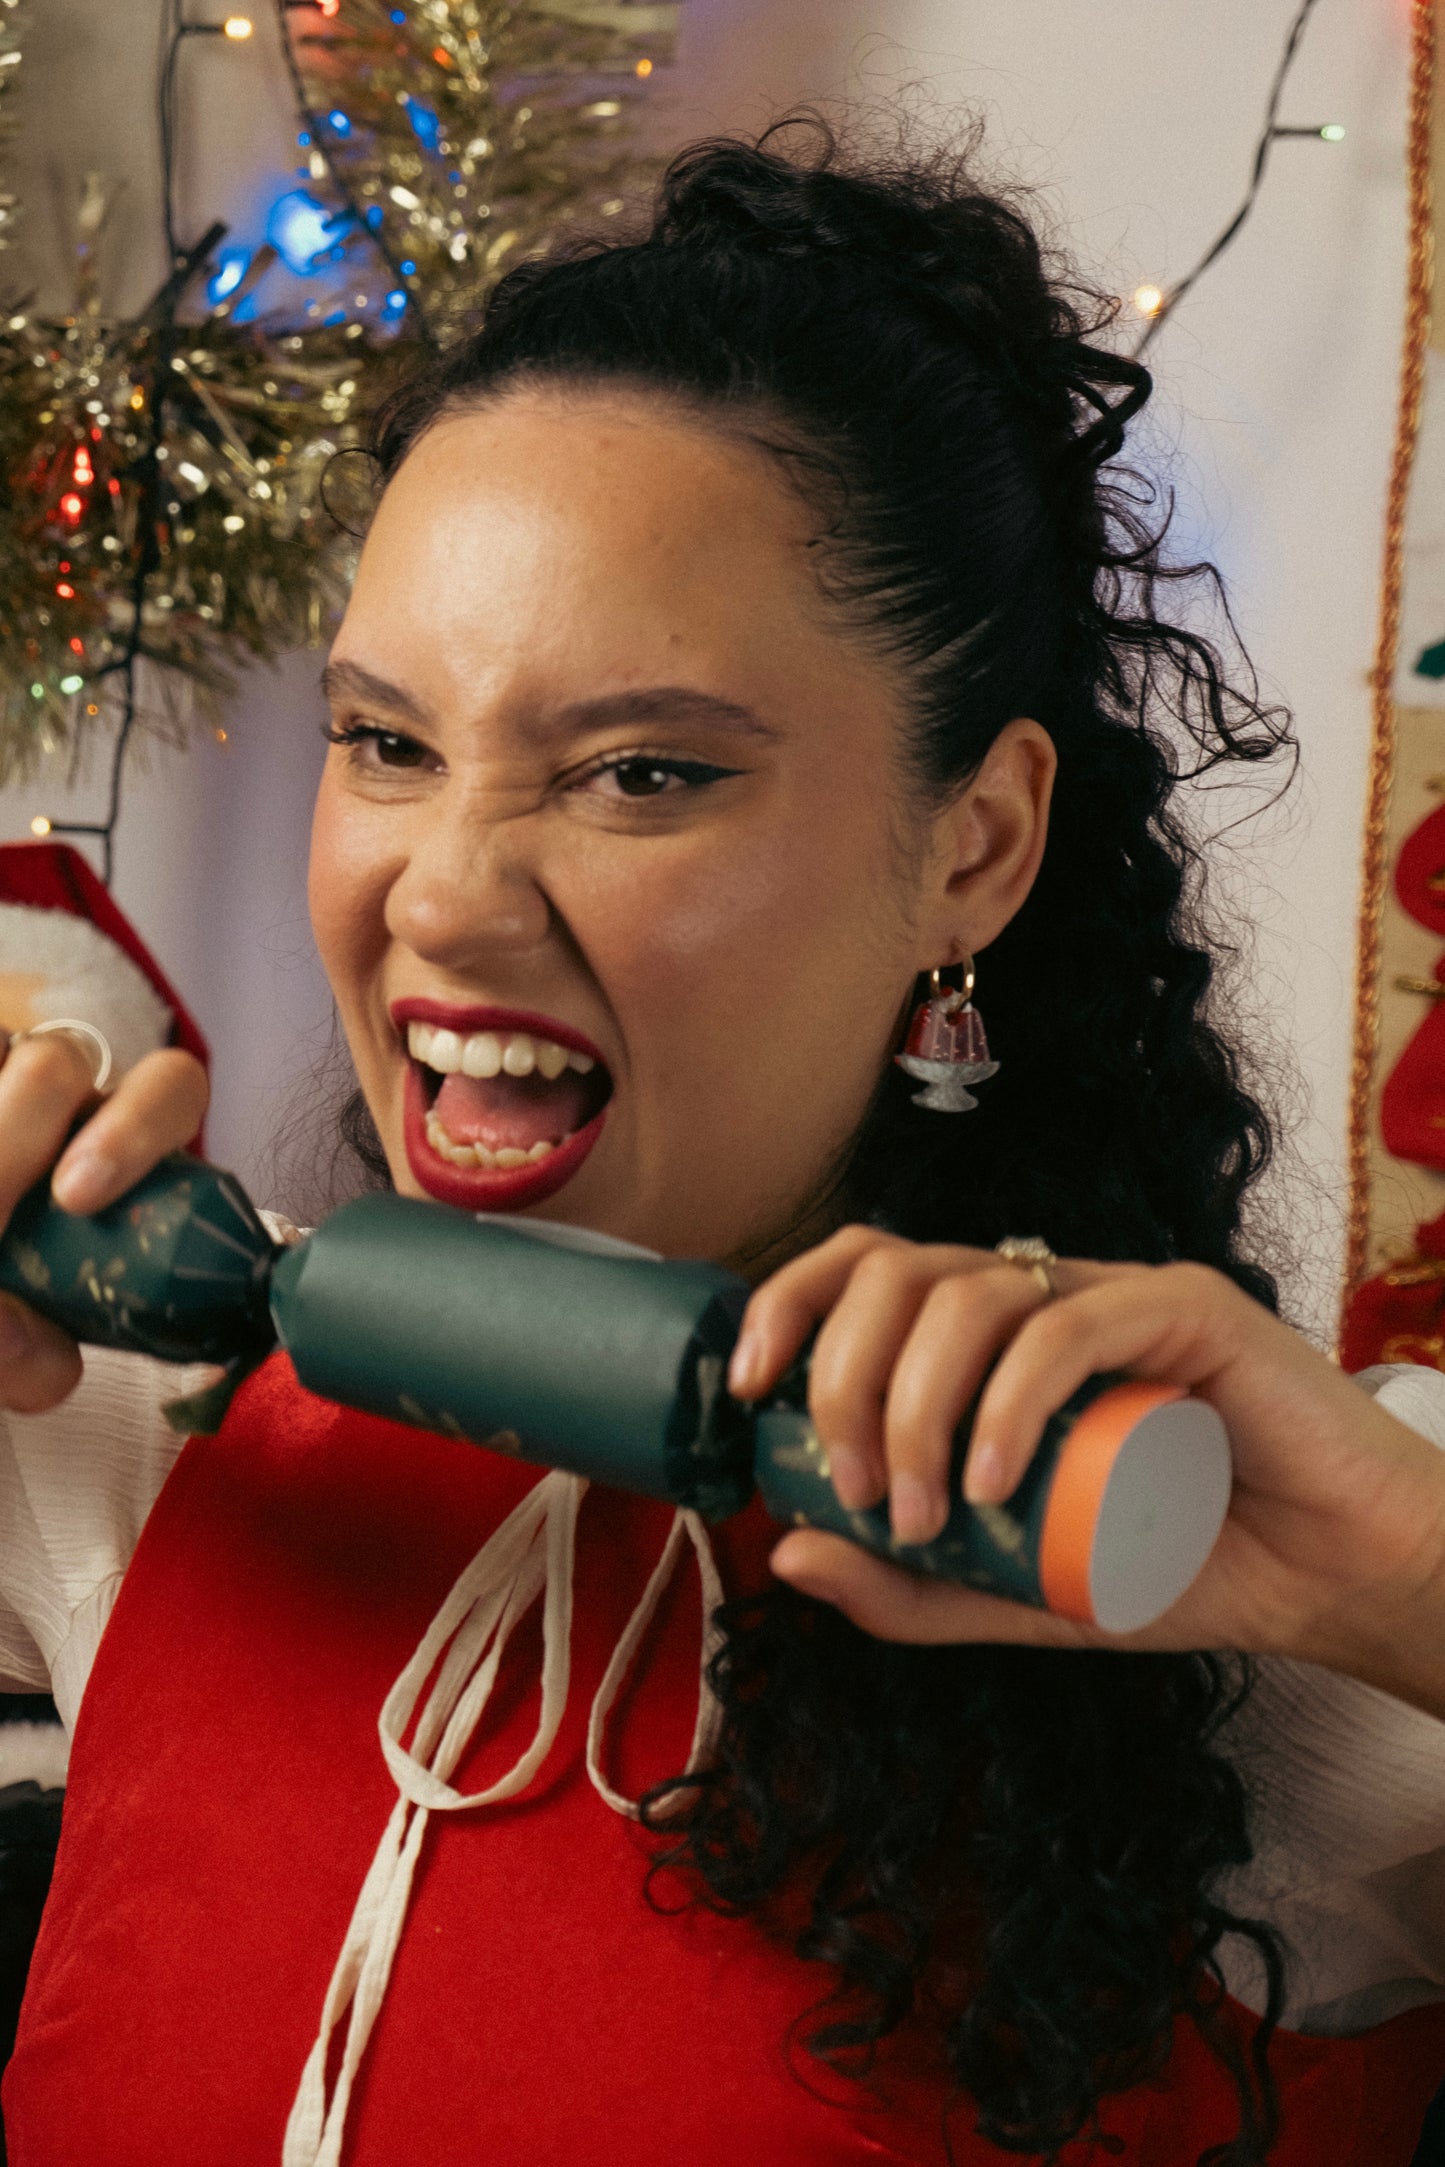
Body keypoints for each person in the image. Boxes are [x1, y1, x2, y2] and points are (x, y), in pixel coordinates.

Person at [0, 123, 1443, 2167]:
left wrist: (1394, 1576)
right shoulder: (142, 1427)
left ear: (976, 847)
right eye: (387, 742)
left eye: (642, 772)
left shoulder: (1215, 1563)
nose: (443, 897)